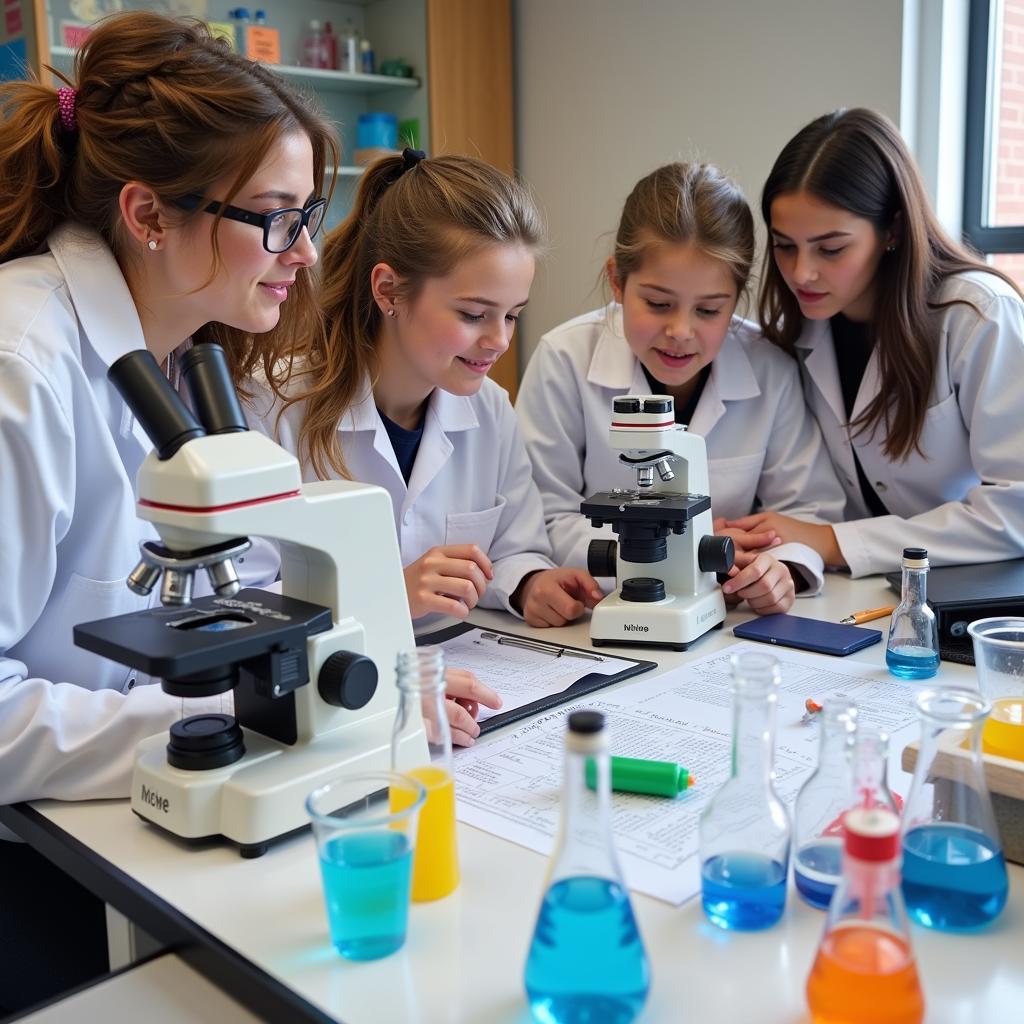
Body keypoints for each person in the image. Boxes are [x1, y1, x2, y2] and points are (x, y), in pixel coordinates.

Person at [0, 11, 338, 1011]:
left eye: (310, 215)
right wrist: (221, 718)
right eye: (276, 218)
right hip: (36, 858)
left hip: (140, 824)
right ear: (150, 214)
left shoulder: (191, 340)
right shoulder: (24, 368)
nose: (304, 254)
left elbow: (247, 581)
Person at [250, 150, 604, 742]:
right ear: (389, 290)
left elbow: (516, 543)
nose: (498, 341)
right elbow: (244, 607)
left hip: (463, 682)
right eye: (473, 314)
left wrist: (528, 582)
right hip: (323, 706)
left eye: (513, 316)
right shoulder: (273, 405)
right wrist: (390, 594)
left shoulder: (488, 407)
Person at [516, 162, 847, 614]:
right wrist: (691, 548)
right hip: (608, 604)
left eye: (709, 310)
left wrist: (780, 569)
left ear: (736, 299)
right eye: (657, 303)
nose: (680, 331)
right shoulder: (564, 360)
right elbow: (544, 521)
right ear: (617, 281)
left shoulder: (770, 368)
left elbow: (808, 511)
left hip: (728, 617)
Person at [723, 107, 1024, 577]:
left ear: (894, 230)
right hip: (864, 592)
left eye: (831, 248)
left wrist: (832, 542)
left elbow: (1015, 512)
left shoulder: (979, 317)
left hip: (974, 590)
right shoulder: (799, 329)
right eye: (785, 245)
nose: (802, 272)